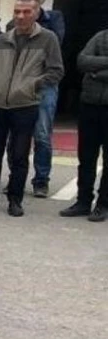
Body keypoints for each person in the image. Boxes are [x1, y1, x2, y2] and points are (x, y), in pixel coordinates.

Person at [0, 0, 64, 217]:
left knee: (19, 156)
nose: (20, 16)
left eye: (26, 12)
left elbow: (56, 71)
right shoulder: (2, 39)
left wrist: (32, 86)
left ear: (36, 13)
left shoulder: (48, 39)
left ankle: (15, 199)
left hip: (25, 105)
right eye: (17, 11)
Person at [7, 0, 66, 198]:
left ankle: (41, 180)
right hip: (17, 86)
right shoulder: (12, 25)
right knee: (15, 135)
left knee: (41, 134)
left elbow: (54, 53)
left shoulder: (53, 23)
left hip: (44, 86)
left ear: (40, 3)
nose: (26, 4)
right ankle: (15, 178)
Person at [59, 27, 108, 222]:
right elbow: (83, 61)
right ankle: (83, 201)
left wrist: (97, 72)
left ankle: (104, 204)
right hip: (89, 104)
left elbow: (91, 65)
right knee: (86, 157)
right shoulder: (100, 36)